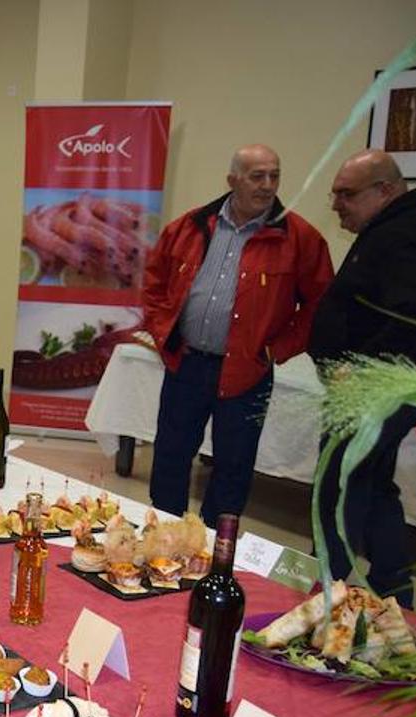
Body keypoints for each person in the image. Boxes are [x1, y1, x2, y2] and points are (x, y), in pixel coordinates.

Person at [141, 144, 333, 523]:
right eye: (256, 176)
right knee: (170, 456)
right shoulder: (189, 227)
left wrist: (276, 351)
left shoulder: (300, 239)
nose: (267, 185)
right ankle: (162, 538)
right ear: (232, 180)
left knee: (233, 468)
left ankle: (217, 556)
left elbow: (320, 306)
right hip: (187, 364)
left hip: (249, 372)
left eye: (274, 176)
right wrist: (164, 332)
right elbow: (153, 285)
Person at [309, 150, 416, 608]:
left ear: (384, 189)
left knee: (339, 487)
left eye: (346, 194)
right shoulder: (392, 227)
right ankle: (394, 589)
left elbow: (414, 320)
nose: (336, 204)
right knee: (372, 486)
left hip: (376, 391)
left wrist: (361, 373)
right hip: (379, 389)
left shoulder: (407, 235)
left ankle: (326, 590)